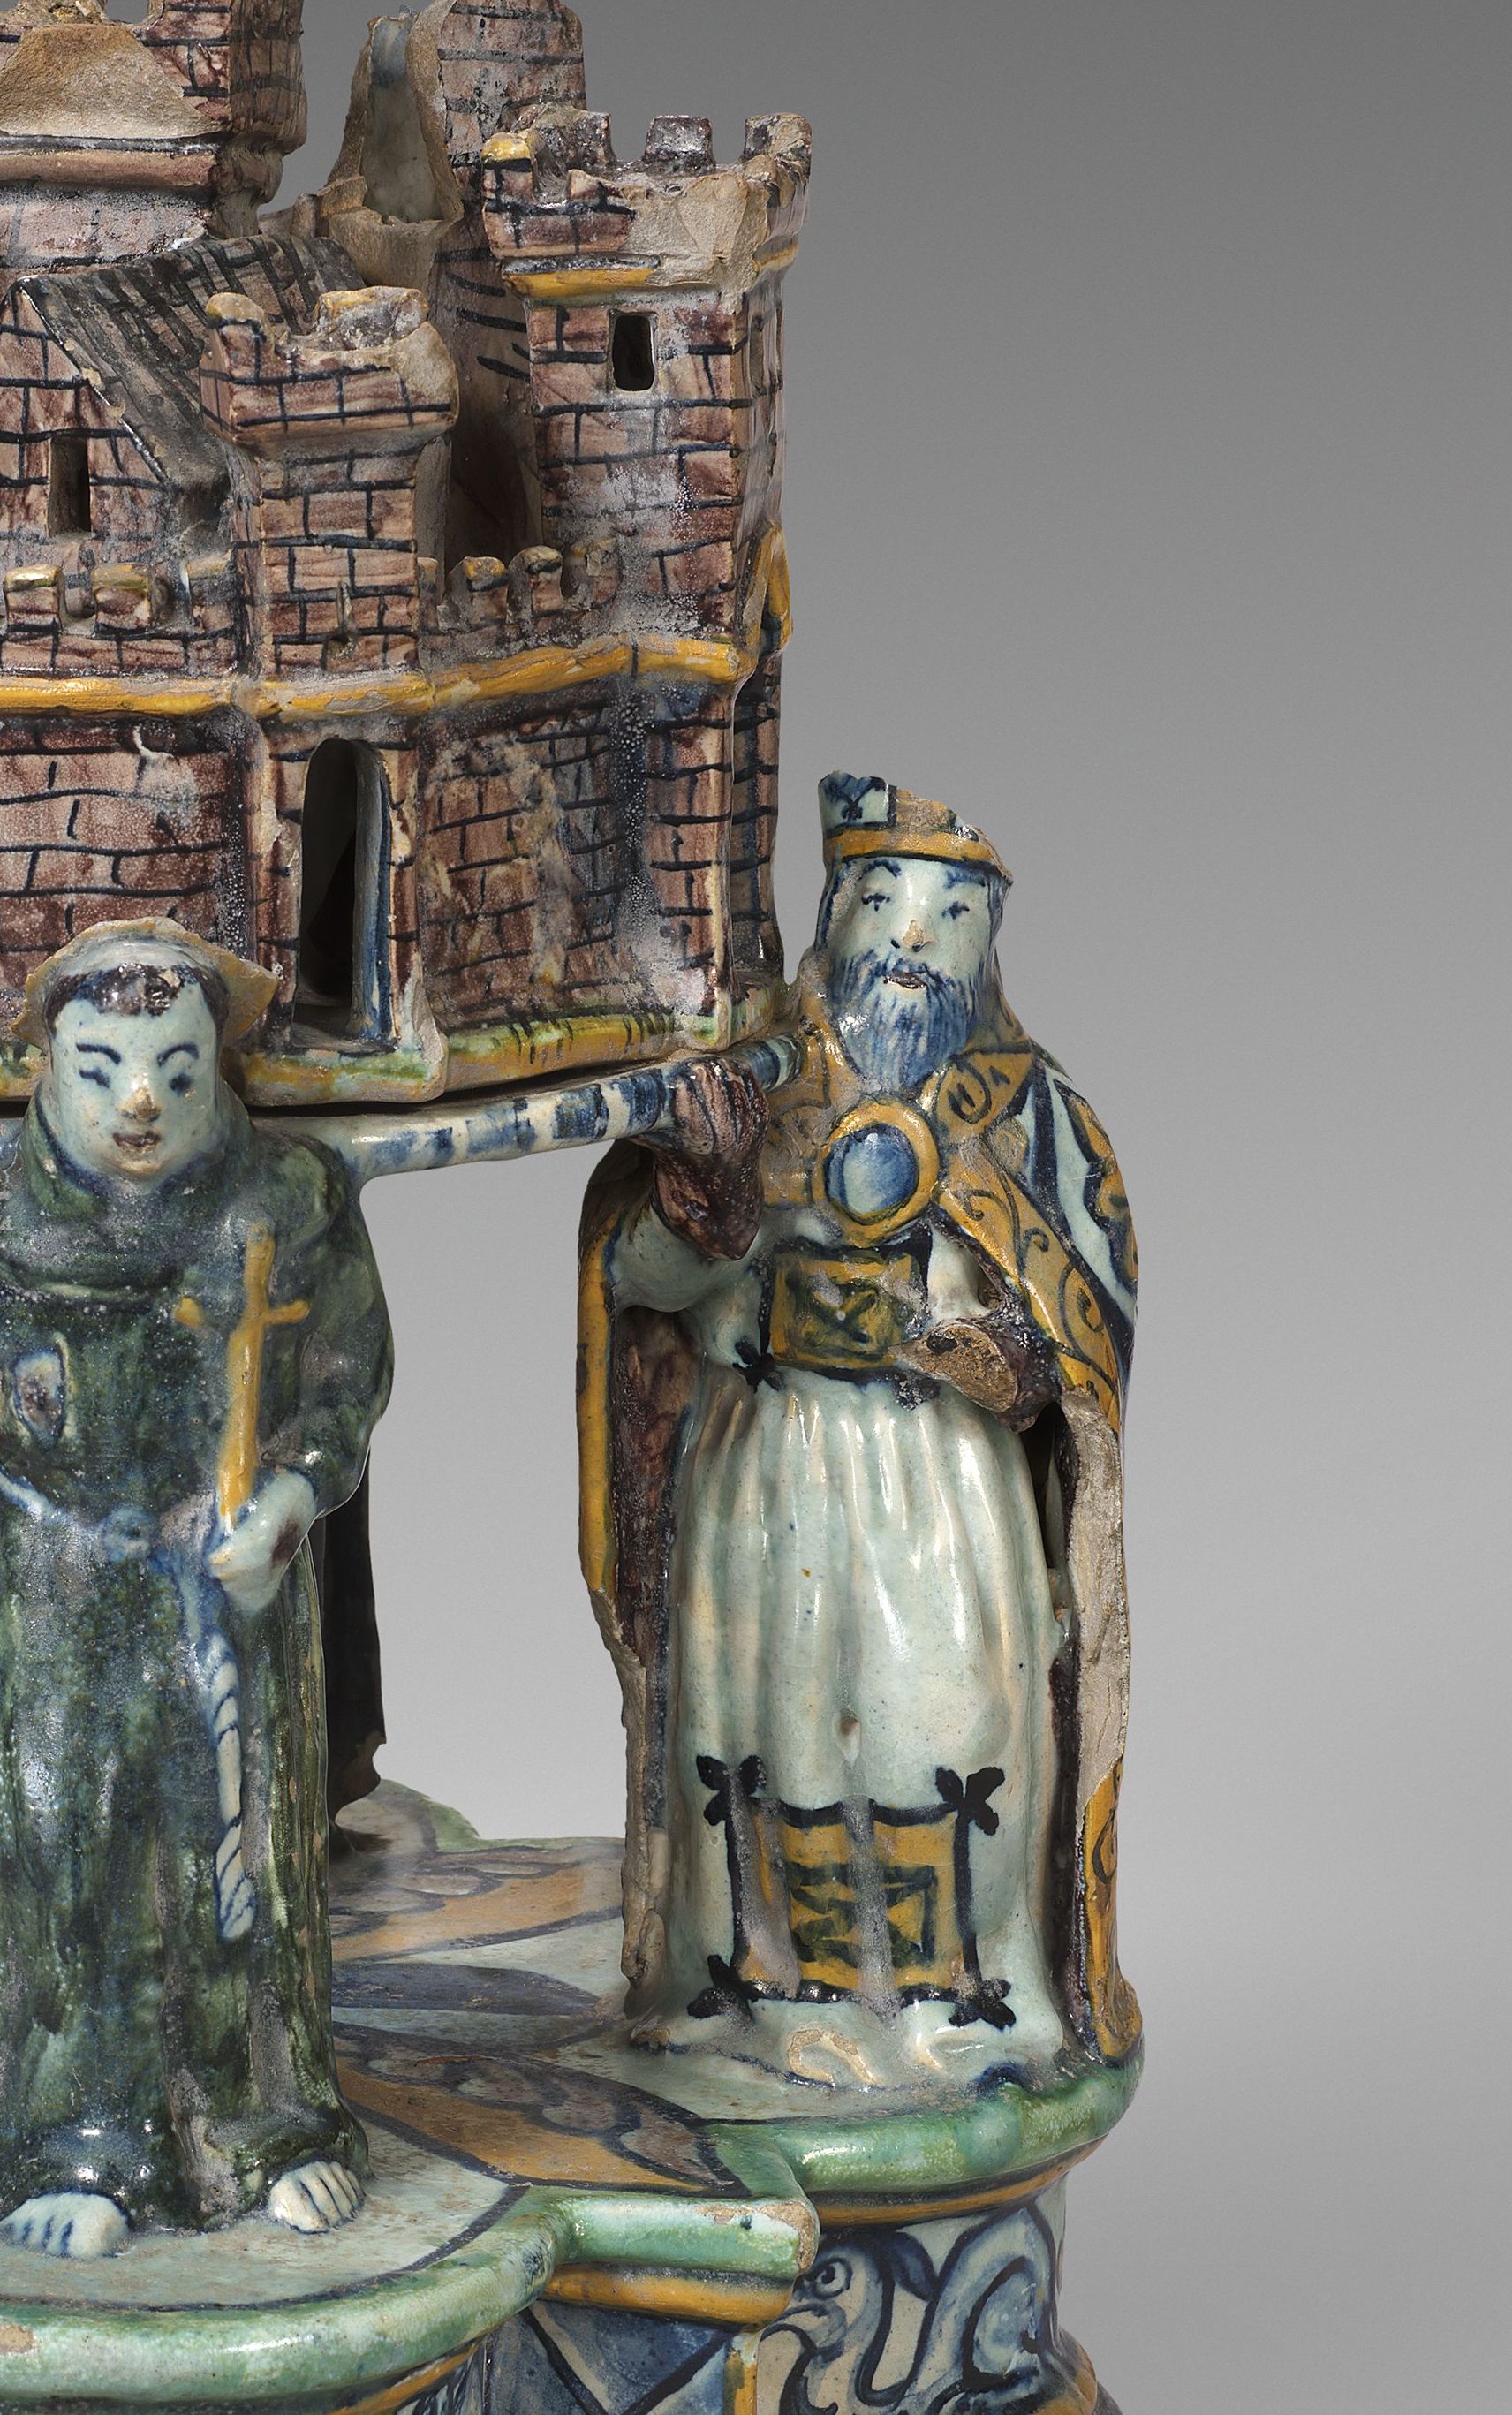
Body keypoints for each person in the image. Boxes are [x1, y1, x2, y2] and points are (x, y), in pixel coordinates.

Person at [0, 920, 390, 2255]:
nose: (141, 1103)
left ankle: (265, 2127)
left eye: (178, 1070)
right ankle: (73, 2142)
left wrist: (291, 1501)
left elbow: (347, 1378)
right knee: (71, 1859)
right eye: (102, 1068)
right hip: (56, 1582)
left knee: (238, 1855)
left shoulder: (286, 1203)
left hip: (226, 1580)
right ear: (48, 1067)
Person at [578, 776, 1139, 2088]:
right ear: (833, 914)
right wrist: (708, 1200)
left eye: (950, 914)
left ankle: (961, 1999)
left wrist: (989, 1354)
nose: (911, 940)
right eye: (884, 902)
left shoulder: (1028, 1114)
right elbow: (635, 1281)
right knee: (760, 1720)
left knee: (940, 1723)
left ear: (987, 943)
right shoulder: (746, 1087)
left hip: (939, 1480)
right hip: (763, 1460)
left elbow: (1087, 1335)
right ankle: (753, 1995)